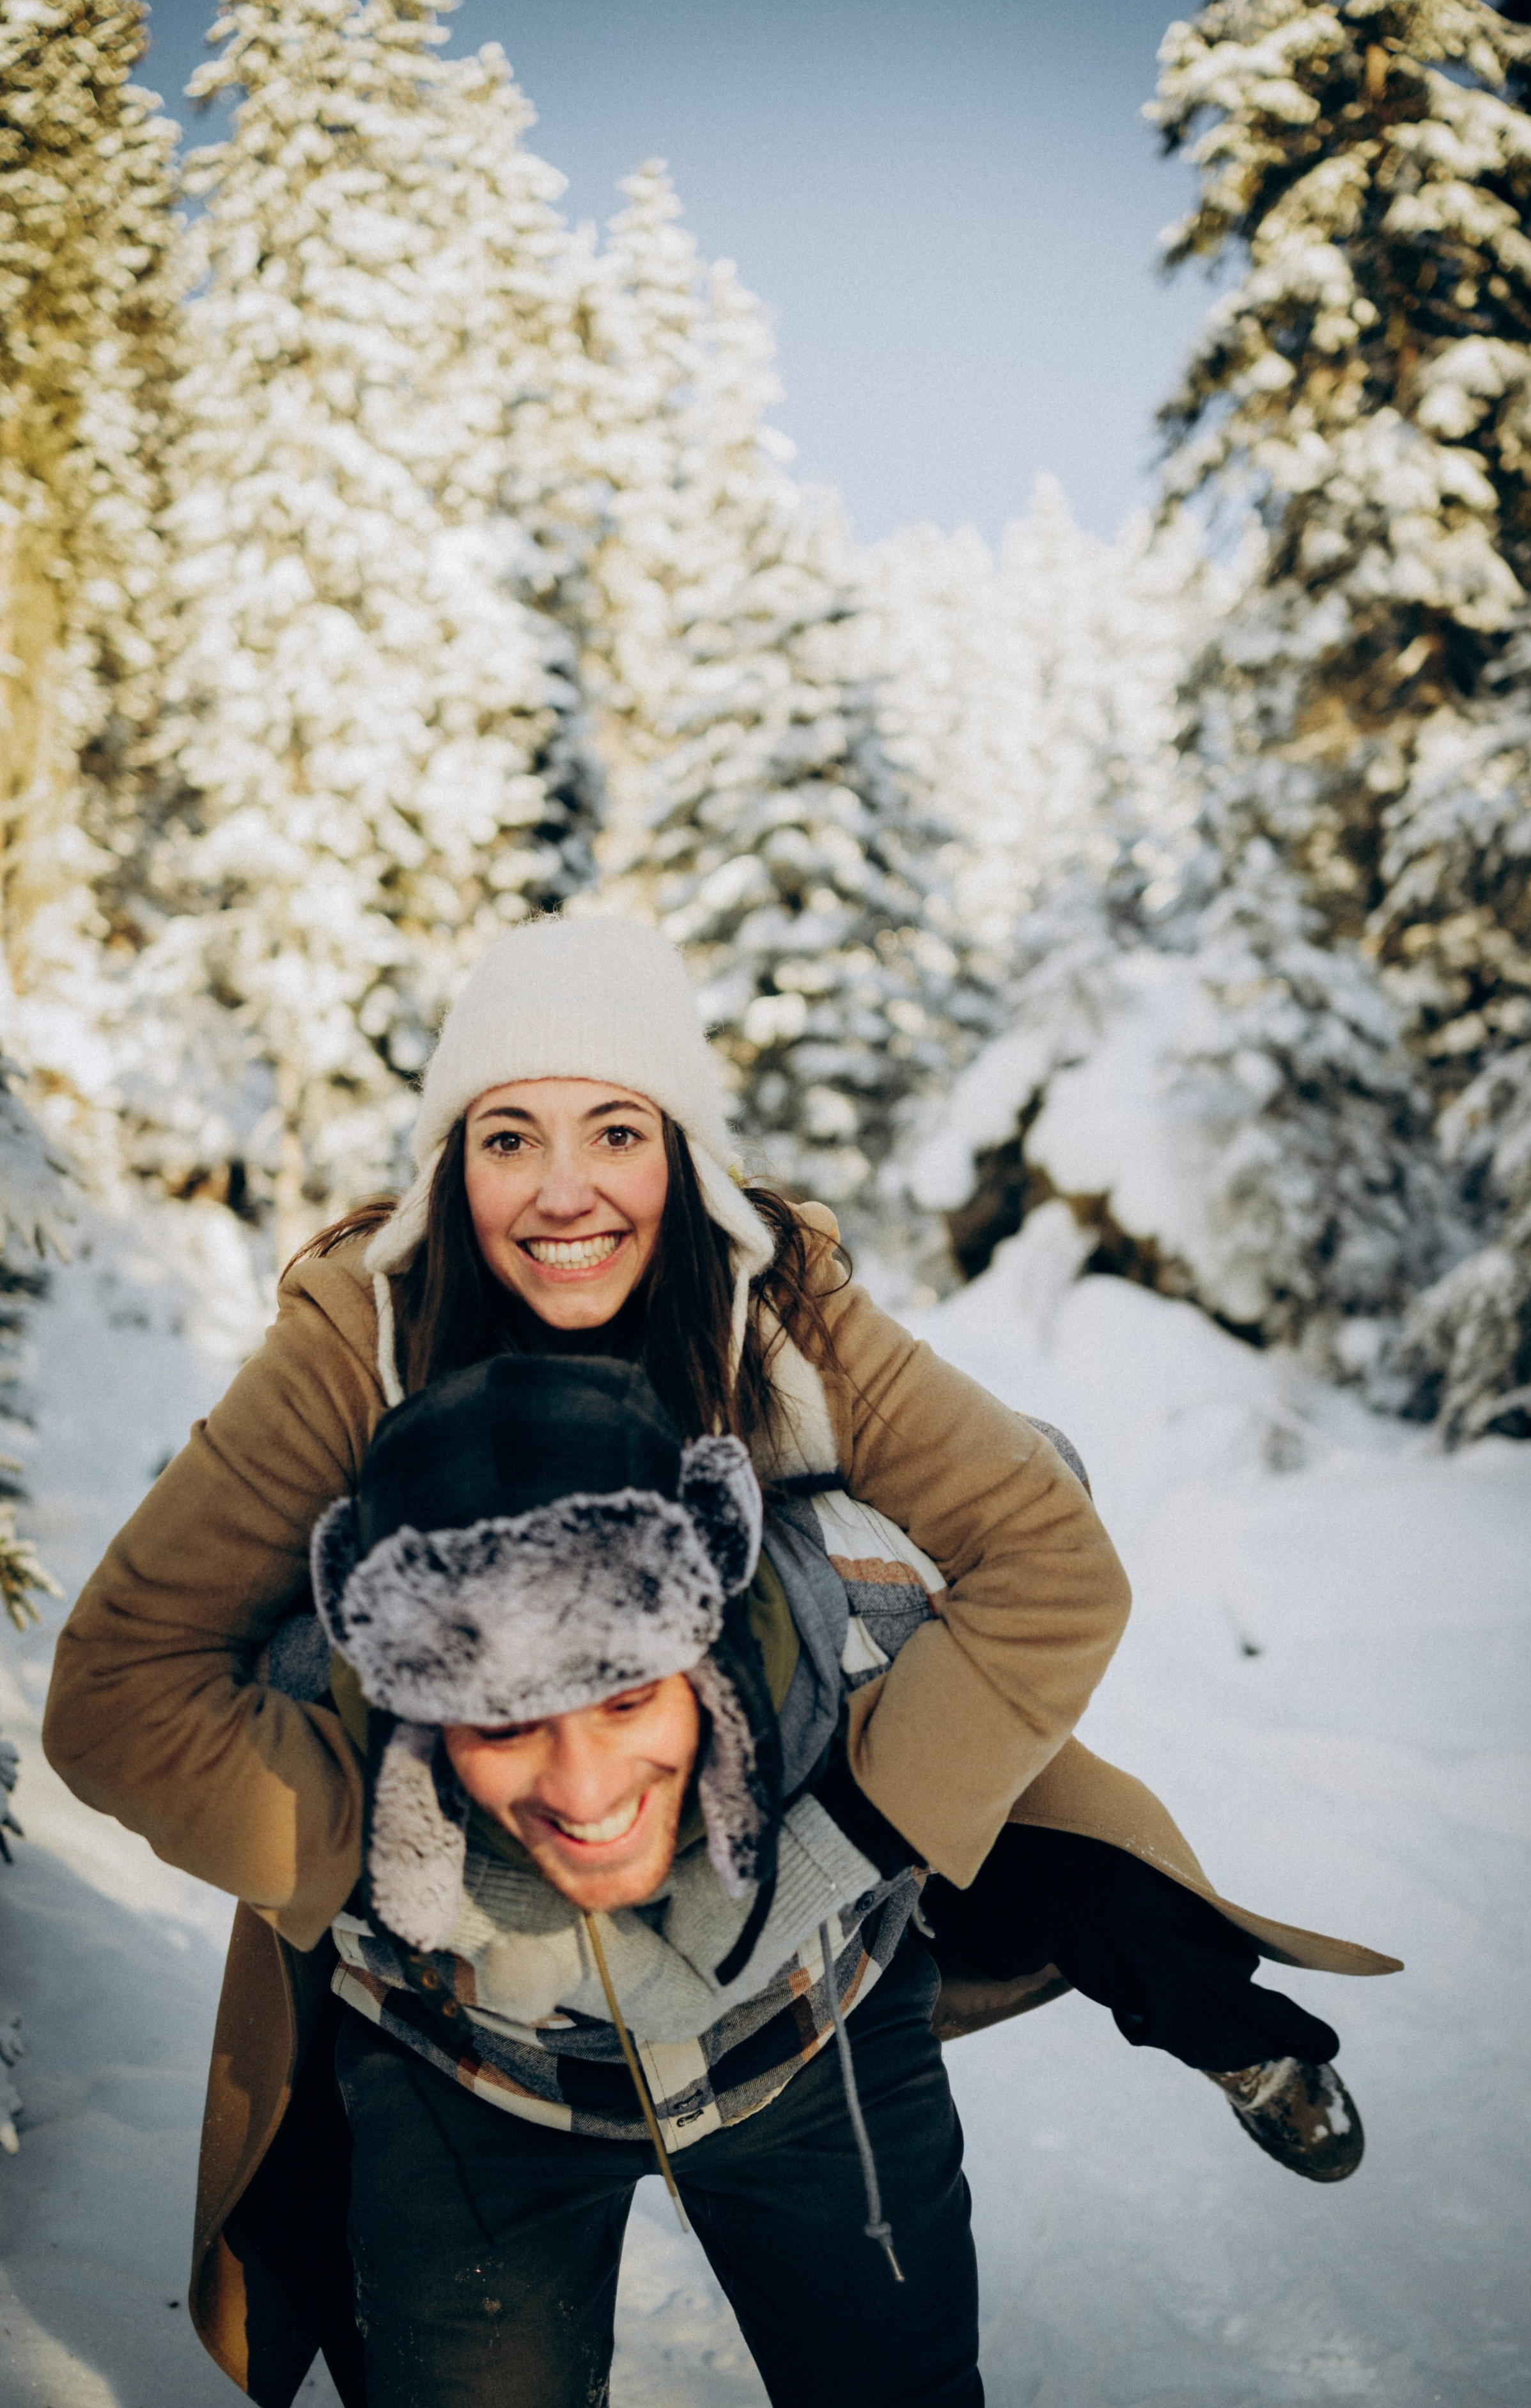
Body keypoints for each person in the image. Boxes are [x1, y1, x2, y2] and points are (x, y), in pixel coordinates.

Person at [42, 916, 1398, 2408]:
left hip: (808, 2036)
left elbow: (1049, 1560)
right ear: (450, 1160)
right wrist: (397, 1860)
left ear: (680, 1152)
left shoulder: (781, 1311)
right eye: (509, 1137)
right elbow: (121, 1685)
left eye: (615, 1131)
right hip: (465, 2072)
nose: (564, 1192)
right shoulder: (359, 1342)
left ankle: (1234, 2031)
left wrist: (847, 1842)